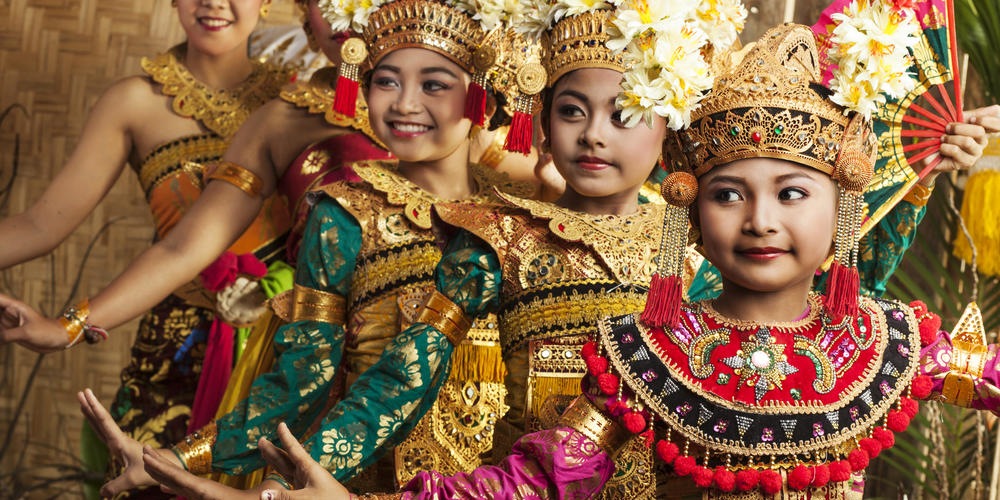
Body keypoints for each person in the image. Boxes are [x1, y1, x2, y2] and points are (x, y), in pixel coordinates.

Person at [175, 19, 1000, 500]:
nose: (758, 222)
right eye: (728, 194)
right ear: (691, 206)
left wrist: (927, 180)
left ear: (837, 210)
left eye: (792, 194)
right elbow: (522, 481)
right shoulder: (643, 358)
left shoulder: (889, 345)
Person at [76, 0, 540, 496]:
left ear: (482, 101)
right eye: (386, 81)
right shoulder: (340, 214)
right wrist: (176, 458)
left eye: (433, 85)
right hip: (357, 482)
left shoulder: (520, 216)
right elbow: (302, 377)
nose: (404, 104)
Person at [0, 0, 291, 491]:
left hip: (284, 351)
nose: (213, 2)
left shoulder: (300, 102)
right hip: (173, 351)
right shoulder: (135, 101)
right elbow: (38, 225)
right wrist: (65, 327)